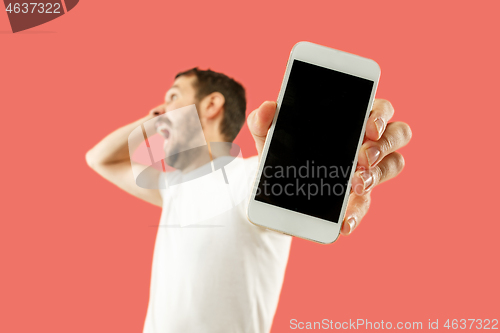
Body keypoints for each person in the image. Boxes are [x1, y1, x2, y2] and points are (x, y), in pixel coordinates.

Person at [85, 68, 412, 333]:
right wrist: (156, 118)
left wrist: (341, 158)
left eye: (172, 97)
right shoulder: (175, 187)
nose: (159, 109)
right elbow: (99, 159)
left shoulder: (251, 177)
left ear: (212, 104)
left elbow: (290, 183)